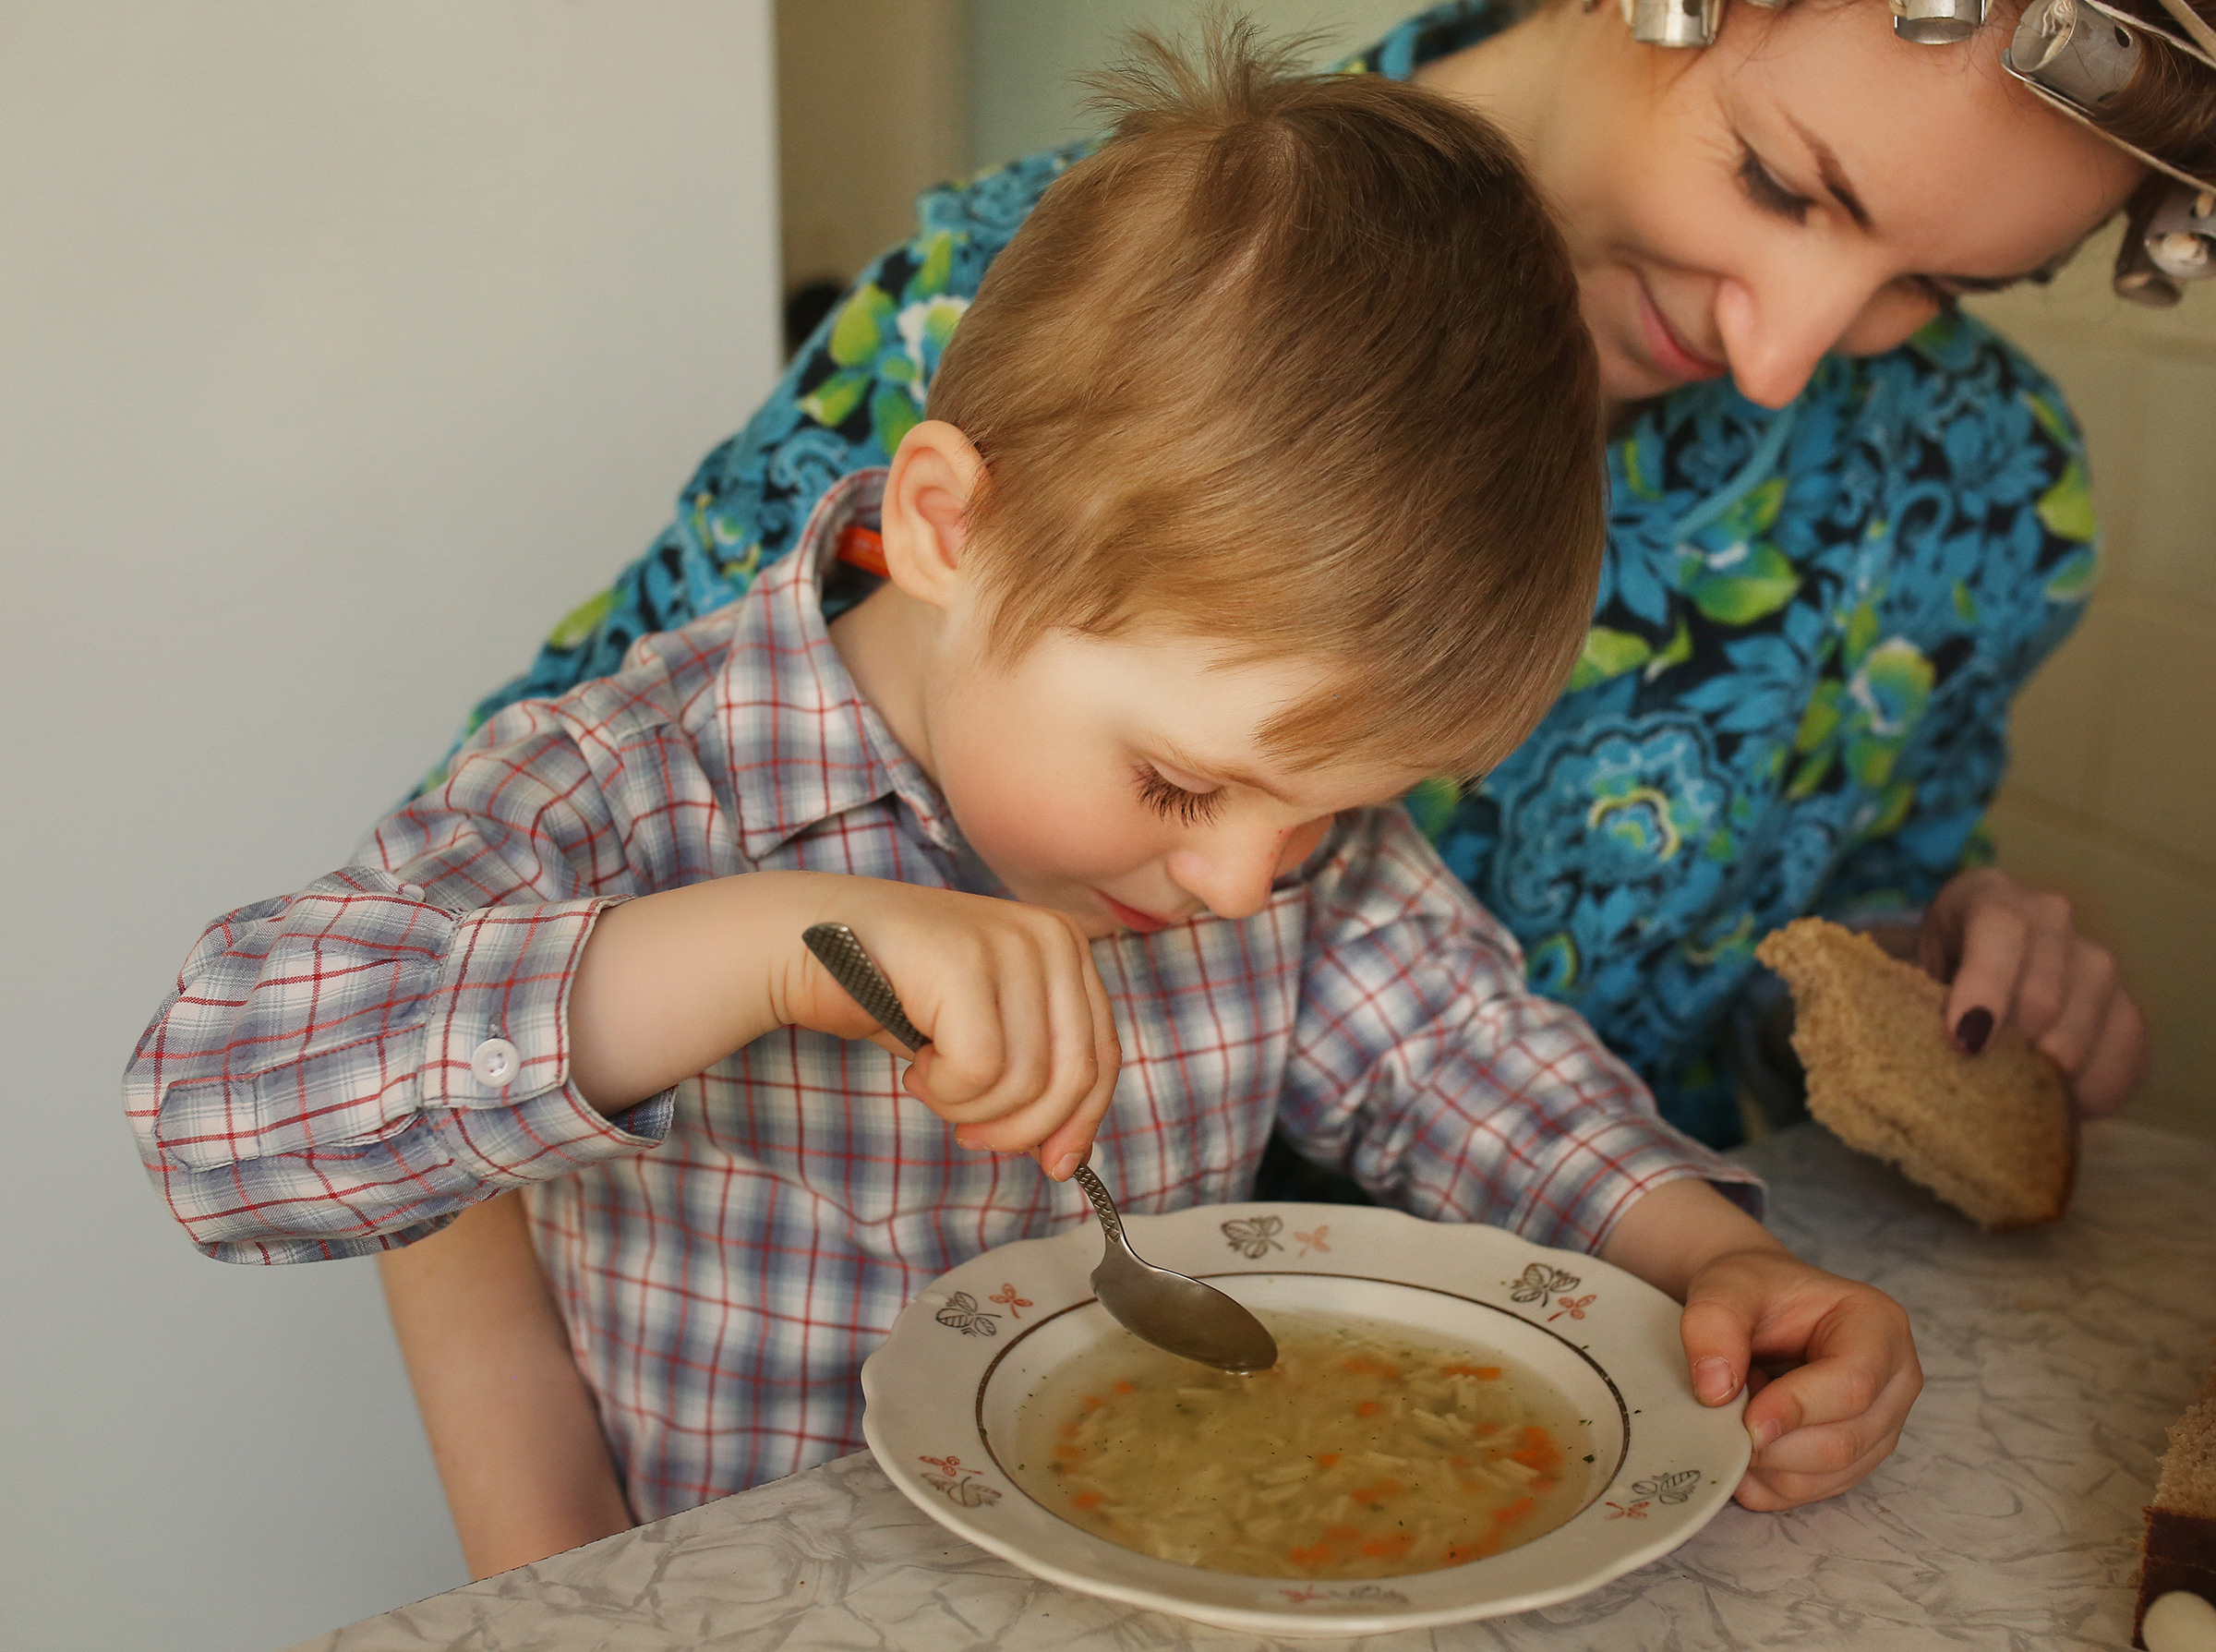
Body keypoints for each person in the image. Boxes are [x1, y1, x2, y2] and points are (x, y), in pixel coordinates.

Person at [126, 30, 1918, 1577]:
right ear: (948, 527)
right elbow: (217, 1103)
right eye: (1178, 781)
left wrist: (1706, 1249)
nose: (1245, 880)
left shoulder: (1273, 845)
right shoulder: (634, 779)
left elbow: (1455, 1056)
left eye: (1320, 815)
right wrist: (760, 951)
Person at [451, 0, 2183, 1149]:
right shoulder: (1045, 303)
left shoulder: (1979, 481)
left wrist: (1939, 973)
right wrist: (563, 1551)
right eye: (1780, 181)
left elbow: (1798, 962)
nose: (1785, 357)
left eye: (1936, 287)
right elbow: (490, 947)